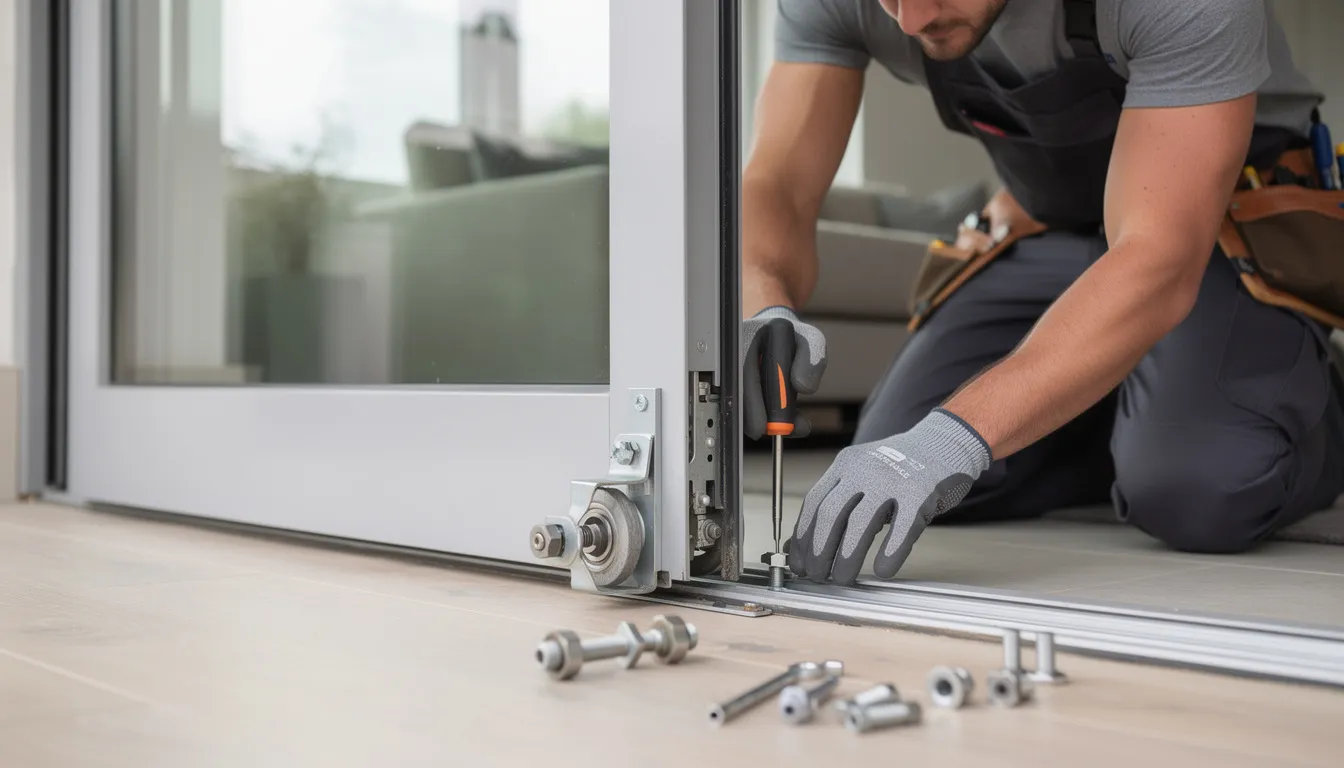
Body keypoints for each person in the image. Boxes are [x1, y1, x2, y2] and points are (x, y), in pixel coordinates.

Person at [740, 0, 1344, 586]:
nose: (912, 18)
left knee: (1202, 490)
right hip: (1050, 225)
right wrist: (760, 300)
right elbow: (779, 185)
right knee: (893, 458)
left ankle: (1303, 400)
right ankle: (1137, 414)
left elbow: (1156, 259)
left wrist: (954, 436)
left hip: (1209, 229)